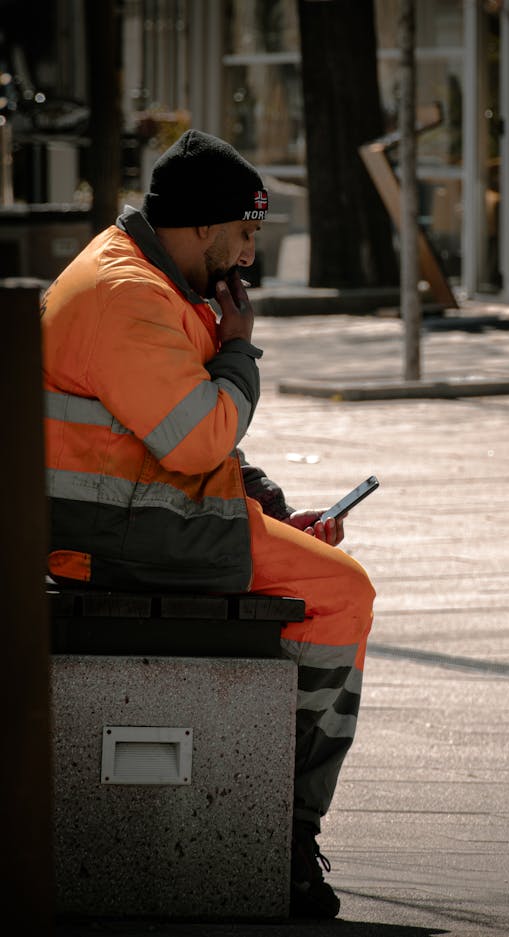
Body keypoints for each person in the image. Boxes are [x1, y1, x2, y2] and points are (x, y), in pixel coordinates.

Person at [41, 129, 375, 919]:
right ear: (201, 227)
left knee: (319, 569)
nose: (249, 258)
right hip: (129, 538)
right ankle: (289, 823)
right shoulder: (130, 295)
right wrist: (240, 352)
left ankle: (274, 810)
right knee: (343, 593)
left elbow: (173, 437)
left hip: (145, 520)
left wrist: (264, 504)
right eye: (245, 234)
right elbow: (198, 438)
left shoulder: (146, 279)